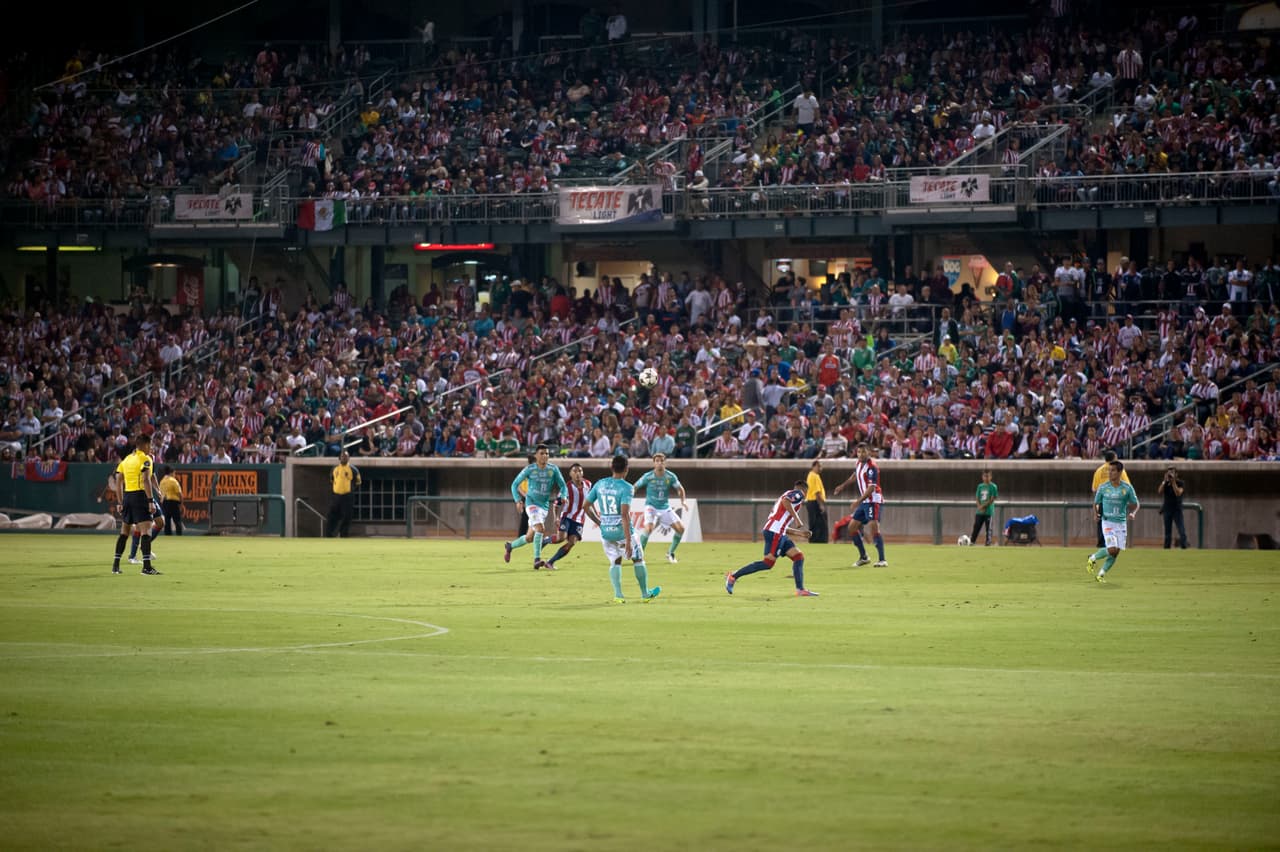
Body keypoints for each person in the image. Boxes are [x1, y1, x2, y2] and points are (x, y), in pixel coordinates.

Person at [584, 454, 661, 603]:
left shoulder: (600, 484)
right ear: (626, 469)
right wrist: (628, 541)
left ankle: (618, 595)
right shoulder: (627, 488)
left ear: (611, 467)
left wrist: (599, 522)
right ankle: (645, 594)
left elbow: (586, 506)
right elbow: (624, 515)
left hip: (606, 532)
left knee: (615, 561)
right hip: (621, 531)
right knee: (638, 559)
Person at [724, 480, 818, 597]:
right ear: (805, 490)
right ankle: (733, 576)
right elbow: (786, 501)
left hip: (778, 532)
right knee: (767, 563)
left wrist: (800, 534)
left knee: (798, 556)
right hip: (775, 533)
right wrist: (797, 519)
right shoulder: (799, 494)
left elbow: (782, 525)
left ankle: (800, 590)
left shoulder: (786, 496)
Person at [505, 444, 567, 570]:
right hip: (531, 503)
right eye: (542, 453)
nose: (545, 456)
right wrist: (518, 500)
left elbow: (563, 486)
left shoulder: (553, 469)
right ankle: (537, 560)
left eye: (547, 453)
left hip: (544, 506)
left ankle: (510, 546)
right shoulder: (530, 469)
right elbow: (514, 484)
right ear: (536, 456)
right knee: (540, 528)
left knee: (529, 537)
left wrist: (564, 495)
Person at [832, 443, 887, 567]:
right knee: (852, 527)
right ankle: (864, 557)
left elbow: (871, 488)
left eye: (863, 452)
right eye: (859, 452)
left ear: (869, 452)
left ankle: (882, 560)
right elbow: (854, 476)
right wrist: (842, 486)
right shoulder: (858, 463)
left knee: (874, 527)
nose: (861, 454)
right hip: (864, 502)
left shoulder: (872, 467)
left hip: (873, 501)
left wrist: (858, 501)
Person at [111, 434, 160, 575]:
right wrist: (150, 501)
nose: (150, 448)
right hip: (140, 496)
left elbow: (118, 482)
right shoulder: (146, 459)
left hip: (127, 497)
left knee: (124, 533)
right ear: (145, 445)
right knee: (146, 531)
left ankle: (115, 566)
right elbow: (146, 480)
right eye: (150, 445)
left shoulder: (126, 460)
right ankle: (146, 567)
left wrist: (120, 502)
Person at [1088, 461, 1140, 583]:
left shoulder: (1127, 488)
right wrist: (1096, 514)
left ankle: (1101, 574)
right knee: (1111, 549)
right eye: (1109, 470)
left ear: (1120, 472)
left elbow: (1136, 503)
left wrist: (1133, 513)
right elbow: (1096, 502)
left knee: (1115, 553)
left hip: (1121, 524)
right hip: (1107, 522)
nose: (1110, 473)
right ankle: (1092, 558)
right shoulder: (1103, 487)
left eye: (1113, 470)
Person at [632, 453, 688, 564]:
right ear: (654, 463)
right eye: (657, 461)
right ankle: (639, 554)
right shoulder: (648, 476)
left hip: (664, 508)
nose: (660, 463)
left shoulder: (670, 476)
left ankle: (670, 553)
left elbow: (680, 489)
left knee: (681, 529)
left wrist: (683, 501)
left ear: (665, 462)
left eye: (662, 461)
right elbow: (635, 487)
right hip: (651, 506)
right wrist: (628, 499)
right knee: (648, 528)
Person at [544, 463, 591, 570]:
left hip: (579, 519)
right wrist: (556, 518)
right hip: (567, 517)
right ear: (570, 474)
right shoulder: (566, 488)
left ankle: (550, 562)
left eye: (580, 471)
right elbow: (556, 504)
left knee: (572, 542)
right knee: (561, 538)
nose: (578, 473)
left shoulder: (588, 485)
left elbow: (590, 501)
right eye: (575, 471)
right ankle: (546, 541)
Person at [1091, 450, 1130, 547]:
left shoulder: (1099, 471)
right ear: (1114, 459)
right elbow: (1127, 486)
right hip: (1116, 502)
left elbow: (1094, 489)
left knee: (1102, 525)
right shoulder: (1119, 470)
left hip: (1103, 502)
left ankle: (1102, 545)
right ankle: (1114, 545)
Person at [327, 450, 361, 537]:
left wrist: (350, 490)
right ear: (339, 458)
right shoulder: (334, 469)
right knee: (332, 516)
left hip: (347, 497)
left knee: (346, 516)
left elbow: (358, 482)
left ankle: (343, 534)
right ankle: (329, 535)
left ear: (349, 458)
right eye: (342, 456)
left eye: (346, 457)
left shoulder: (353, 469)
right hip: (336, 496)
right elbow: (332, 480)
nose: (344, 458)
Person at [1157, 465, 1188, 549]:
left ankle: (1184, 546)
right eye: (1169, 473)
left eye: (1172, 472)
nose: (1170, 474)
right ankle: (1167, 549)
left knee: (1181, 530)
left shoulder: (1181, 483)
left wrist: (1173, 482)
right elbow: (1159, 491)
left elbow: (1178, 493)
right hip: (1167, 510)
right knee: (1167, 533)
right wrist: (1164, 481)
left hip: (1177, 510)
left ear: (1176, 474)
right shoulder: (1166, 483)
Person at [970, 469, 998, 546]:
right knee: (976, 526)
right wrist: (979, 506)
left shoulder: (993, 486)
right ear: (982, 477)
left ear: (991, 477)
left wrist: (983, 506)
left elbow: (992, 499)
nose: (986, 478)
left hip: (988, 511)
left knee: (988, 528)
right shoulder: (980, 486)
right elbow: (977, 498)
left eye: (988, 476)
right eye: (985, 476)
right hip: (980, 511)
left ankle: (988, 542)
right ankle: (972, 541)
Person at [805, 458, 828, 543]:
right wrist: (821, 504)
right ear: (813, 466)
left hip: (813, 502)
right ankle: (818, 541)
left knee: (816, 523)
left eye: (821, 466)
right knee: (818, 524)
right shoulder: (813, 476)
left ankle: (816, 540)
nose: (820, 468)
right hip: (815, 502)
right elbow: (817, 492)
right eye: (818, 466)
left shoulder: (813, 475)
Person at [159, 465, 184, 535]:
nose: (174, 475)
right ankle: (179, 534)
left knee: (167, 521)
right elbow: (180, 494)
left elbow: (160, 493)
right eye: (174, 473)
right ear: (171, 472)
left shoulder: (162, 481)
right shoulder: (173, 481)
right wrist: (181, 504)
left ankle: (168, 535)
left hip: (164, 502)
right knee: (177, 520)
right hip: (173, 502)